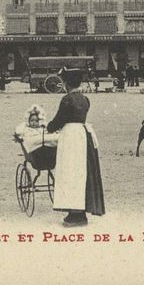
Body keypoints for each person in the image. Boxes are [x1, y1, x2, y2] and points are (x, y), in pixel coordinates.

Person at [46, 79, 105, 226]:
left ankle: (74, 214)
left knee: (69, 171)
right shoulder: (85, 99)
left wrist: (49, 127)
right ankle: (81, 212)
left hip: (70, 136)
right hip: (82, 134)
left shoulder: (67, 99)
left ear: (67, 84)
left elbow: (59, 119)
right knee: (81, 172)